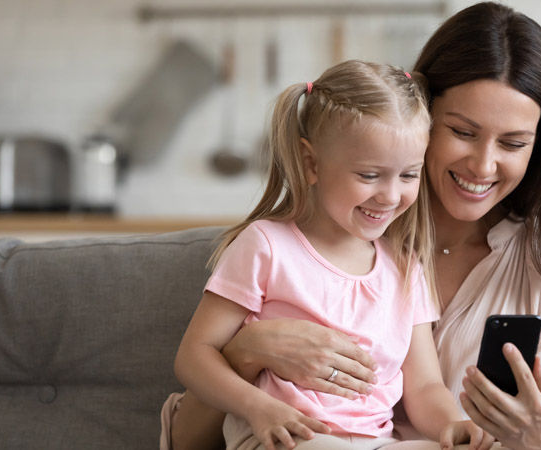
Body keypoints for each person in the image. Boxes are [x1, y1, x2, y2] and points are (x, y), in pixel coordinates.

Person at [162, 2, 541, 449]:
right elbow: (185, 434)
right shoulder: (289, 242)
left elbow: (429, 389)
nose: (484, 164)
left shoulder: (413, 265)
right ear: (424, 122)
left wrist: (505, 434)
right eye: (463, 132)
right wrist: (248, 353)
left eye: (512, 143)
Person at [172, 59, 492, 450]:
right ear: (311, 164)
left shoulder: (406, 267)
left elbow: (425, 385)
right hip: (289, 436)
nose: (391, 196)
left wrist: (452, 426)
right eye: (369, 175)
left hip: (377, 442)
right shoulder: (267, 246)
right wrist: (259, 408)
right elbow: (193, 357)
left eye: (408, 175)